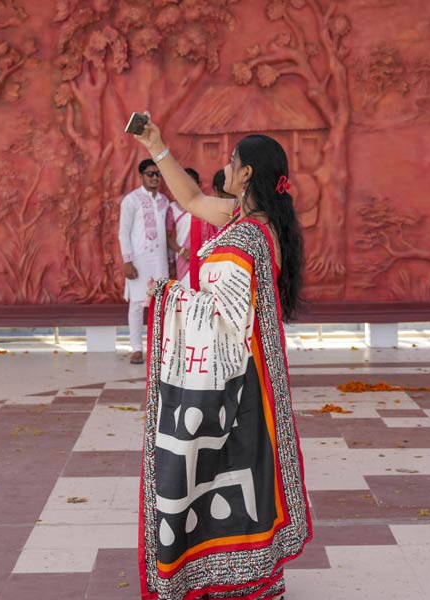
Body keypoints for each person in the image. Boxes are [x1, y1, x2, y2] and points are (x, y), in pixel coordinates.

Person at [133, 113, 311, 600]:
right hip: (226, 374)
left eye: (231, 162)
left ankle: (241, 578)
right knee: (218, 468)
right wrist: (156, 144)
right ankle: (225, 573)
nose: (225, 167)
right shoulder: (244, 221)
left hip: (236, 379)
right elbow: (187, 199)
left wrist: (168, 295)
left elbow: (228, 316)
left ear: (246, 173)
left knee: (225, 464)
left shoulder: (252, 235)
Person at [119, 158, 170, 365]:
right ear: (141, 176)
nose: (155, 177)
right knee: (137, 304)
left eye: (158, 174)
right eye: (150, 174)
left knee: (160, 305)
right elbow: (123, 231)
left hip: (160, 259)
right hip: (139, 260)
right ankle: (136, 349)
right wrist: (127, 261)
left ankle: (157, 348)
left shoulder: (165, 201)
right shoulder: (131, 200)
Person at [166, 168, 201, 283]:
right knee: (186, 293)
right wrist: (182, 252)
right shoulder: (173, 208)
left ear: (198, 185)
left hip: (203, 255)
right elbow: (168, 237)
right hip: (183, 257)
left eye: (191, 182)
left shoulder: (205, 205)